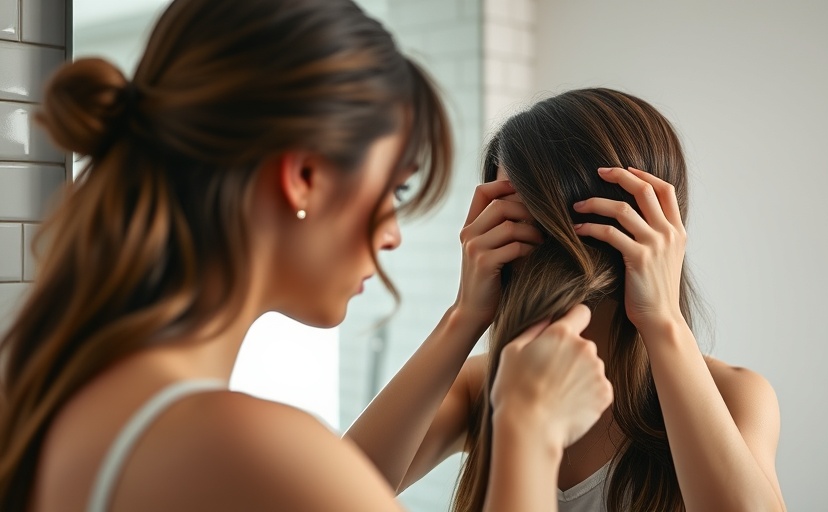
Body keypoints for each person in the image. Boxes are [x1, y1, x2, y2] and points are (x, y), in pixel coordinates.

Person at [0, 1, 613, 511]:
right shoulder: (239, 444)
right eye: (394, 189)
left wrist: (464, 317)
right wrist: (530, 431)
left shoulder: (64, 394)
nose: (393, 234)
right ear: (305, 176)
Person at [347, 88, 787, 511]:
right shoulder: (485, 387)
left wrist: (664, 320)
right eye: (504, 214)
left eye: (528, 215)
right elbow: (329, 487)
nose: (511, 235)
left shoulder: (731, 395)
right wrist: (464, 315)